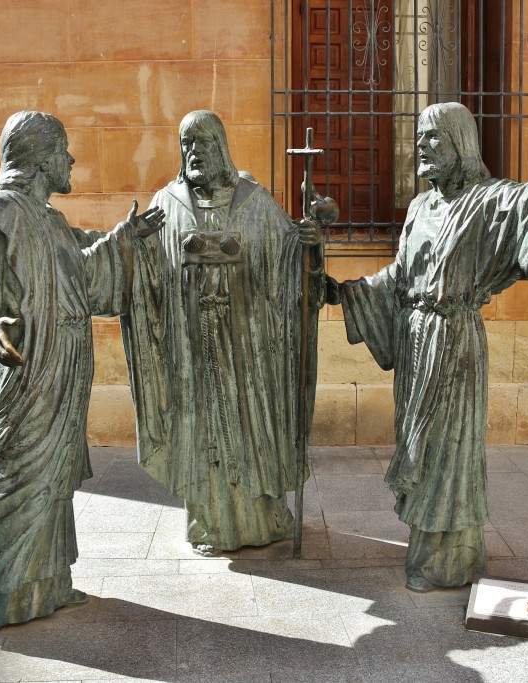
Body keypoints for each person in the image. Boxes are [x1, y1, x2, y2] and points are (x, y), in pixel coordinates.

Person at [330, 102, 528, 591]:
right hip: (416, 345)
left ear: (460, 143)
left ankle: (448, 562)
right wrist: (348, 293)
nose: (423, 147)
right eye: (419, 138)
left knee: (449, 453)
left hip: (455, 345)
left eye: (434, 137)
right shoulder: (420, 208)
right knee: (422, 446)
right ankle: (429, 550)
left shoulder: (489, 201)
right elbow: (400, 278)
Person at [0, 111, 164, 649]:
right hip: (27, 377)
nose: (71, 161)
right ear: (39, 159)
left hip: (64, 372)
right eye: (64, 152)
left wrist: (127, 240)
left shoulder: (50, 221)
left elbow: (84, 275)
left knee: (52, 484)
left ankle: (42, 585)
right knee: (15, 488)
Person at [121, 110, 324, 556]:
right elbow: (149, 271)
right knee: (203, 428)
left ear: (222, 148)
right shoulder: (168, 202)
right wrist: (134, 247)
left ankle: (266, 516)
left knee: (253, 426)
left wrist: (307, 244)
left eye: (203, 143)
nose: (194, 153)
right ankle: (209, 522)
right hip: (193, 346)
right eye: (186, 145)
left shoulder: (254, 200)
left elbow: (289, 259)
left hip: (250, 346)